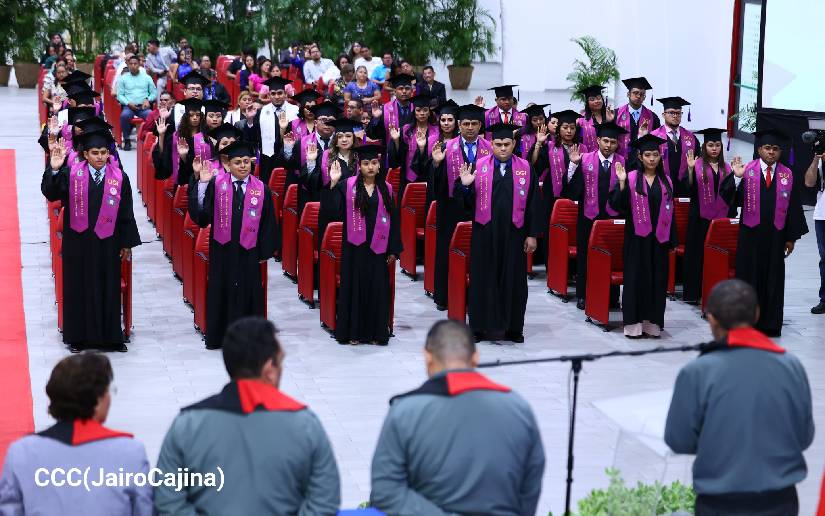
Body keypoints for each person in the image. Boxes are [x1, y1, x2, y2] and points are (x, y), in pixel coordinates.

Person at [155, 317, 340, 514]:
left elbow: (168, 502)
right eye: (281, 361)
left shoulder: (186, 425)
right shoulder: (305, 425)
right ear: (270, 370)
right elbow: (324, 503)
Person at [665, 279, 814, 516]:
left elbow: (678, 440)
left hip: (719, 502)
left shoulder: (698, 371)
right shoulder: (792, 366)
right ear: (756, 314)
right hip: (781, 501)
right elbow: (804, 437)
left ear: (711, 318)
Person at [370, 319, 545, 514]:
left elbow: (385, 492)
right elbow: (530, 487)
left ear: (427, 357)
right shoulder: (519, 409)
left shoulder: (405, 412)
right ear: (475, 358)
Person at [0, 354, 153, 515]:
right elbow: (144, 510)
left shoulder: (21, 452)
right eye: (108, 390)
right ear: (98, 400)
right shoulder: (130, 452)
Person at [42, 129, 140, 352]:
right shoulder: (71, 174)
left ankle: (111, 338)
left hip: (108, 243)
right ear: (85, 154)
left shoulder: (119, 178)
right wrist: (54, 168)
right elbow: (51, 193)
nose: (99, 157)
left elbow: (126, 213)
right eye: (94, 153)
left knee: (109, 287)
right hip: (79, 243)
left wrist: (126, 243)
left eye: (104, 152)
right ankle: (78, 338)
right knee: (79, 287)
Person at [455, 123, 542, 342]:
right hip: (485, 233)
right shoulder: (478, 166)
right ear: (491, 145)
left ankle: (513, 328)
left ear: (513, 144)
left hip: (515, 233)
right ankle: (479, 327)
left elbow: (533, 203)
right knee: (482, 278)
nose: (502, 148)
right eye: (498, 144)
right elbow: (465, 205)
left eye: (506, 144)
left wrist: (532, 234)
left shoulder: (525, 168)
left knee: (514, 280)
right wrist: (465, 187)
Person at [188, 141, 278, 349]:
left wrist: (264, 251)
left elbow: (268, 223)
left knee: (249, 293)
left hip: (249, 252)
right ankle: (221, 337)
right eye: (238, 162)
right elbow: (202, 217)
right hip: (223, 251)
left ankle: (249, 339)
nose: (243, 166)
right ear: (228, 165)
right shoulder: (216, 184)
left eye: (246, 161)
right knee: (223, 290)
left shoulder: (261, 189)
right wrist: (201, 184)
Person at [720, 128, 807, 337]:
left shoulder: (788, 175)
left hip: (776, 238)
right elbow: (729, 199)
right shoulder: (747, 171)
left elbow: (794, 207)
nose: (771, 152)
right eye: (767, 148)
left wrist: (791, 237)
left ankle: (769, 324)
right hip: (750, 237)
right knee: (748, 278)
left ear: (780, 152)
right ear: (759, 149)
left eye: (775, 149)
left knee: (773, 279)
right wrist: (737, 178)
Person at [322, 144, 401, 345]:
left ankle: (376, 333)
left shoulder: (387, 189)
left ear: (379, 165)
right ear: (360, 165)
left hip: (378, 247)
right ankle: (353, 332)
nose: (370, 167)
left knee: (377, 289)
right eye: (366, 163)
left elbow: (394, 220)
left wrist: (393, 248)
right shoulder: (347, 185)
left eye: (374, 163)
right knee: (354, 288)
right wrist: (332, 184)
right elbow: (332, 211)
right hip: (354, 248)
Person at [610, 133, 676, 338]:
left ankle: (652, 324)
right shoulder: (630, 178)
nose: (651, 159)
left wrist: (672, 239)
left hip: (659, 240)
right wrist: (621, 185)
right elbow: (617, 206)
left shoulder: (667, 182)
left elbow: (671, 213)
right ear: (639, 157)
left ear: (660, 157)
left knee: (657, 281)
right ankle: (633, 325)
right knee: (635, 280)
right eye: (647, 155)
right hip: (636, 240)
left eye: (655, 155)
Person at [427, 104, 492, 311]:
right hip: (451, 209)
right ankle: (445, 297)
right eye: (466, 124)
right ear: (459, 125)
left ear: (480, 125)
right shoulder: (447, 148)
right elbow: (436, 187)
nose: (470, 128)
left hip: (479, 207)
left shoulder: (490, 149)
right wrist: (436, 165)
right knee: (447, 251)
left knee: (478, 253)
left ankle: (476, 296)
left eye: (474, 124)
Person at [560, 118, 622, 310]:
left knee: (611, 257)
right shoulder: (584, 160)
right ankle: (583, 295)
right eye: (605, 141)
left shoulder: (623, 163)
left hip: (612, 218)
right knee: (586, 257)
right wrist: (573, 166)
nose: (609, 145)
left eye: (612, 142)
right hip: (588, 217)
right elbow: (571, 192)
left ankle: (611, 297)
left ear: (617, 143)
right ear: (598, 140)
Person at [681, 128, 735, 304]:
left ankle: (715, 292)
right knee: (696, 256)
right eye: (711, 145)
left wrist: (737, 176)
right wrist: (689, 170)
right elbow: (687, 189)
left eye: (717, 145)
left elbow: (731, 195)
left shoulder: (727, 168)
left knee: (716, 256)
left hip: (719, 220)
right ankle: (693, 294)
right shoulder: (696, 165)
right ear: (704, 146)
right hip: (699, 219)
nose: (714, 148)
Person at [242, 76, 298, 184]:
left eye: (280, 93)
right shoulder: (261, 111)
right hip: (268, 161)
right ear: (268, 95)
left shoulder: (295, 111)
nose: (276, 96)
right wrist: (249, 121)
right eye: (273, 93)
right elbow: (253, 138)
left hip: (291, 159)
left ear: (285, 94)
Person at [392, 93, 439, 202]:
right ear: (414, 112)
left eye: (425, 110)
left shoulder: (436, 131)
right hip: (409, 175)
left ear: (429, 112)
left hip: (430, 175)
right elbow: (399, 156)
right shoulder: (405, 130)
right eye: (418, 110)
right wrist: (396, 141)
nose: (422, 113)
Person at [650, 96, 699, 196]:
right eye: (671, 112)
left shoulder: (691, 138)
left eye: (678, 113)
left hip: (684, 189)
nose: (675, 116)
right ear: (664, 115)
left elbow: (698, 163)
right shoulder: (653, 137)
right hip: (660, 188)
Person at [154, 98, 206, 188]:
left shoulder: (206, 137)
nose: (195, 118)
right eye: (191, 115)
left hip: (204, 182)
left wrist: (184, 157)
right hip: (181, 183)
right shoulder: (176, 137)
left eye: (198, 115)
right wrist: (161, 136)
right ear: (186, 117)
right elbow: (164, 160)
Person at [615, 77, 661, 164]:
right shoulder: (617, 114)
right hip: (621, 160)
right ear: (628, 94)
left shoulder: (653, 117)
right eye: (635, 93)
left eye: (642, 94)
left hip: (644, 163)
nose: (639, 96)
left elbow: (656, 142)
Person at [116, 54, 157, 150]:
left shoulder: (147, 78)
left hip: (143, 107)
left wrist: (148, 99)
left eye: (135, 63)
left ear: (139, 64)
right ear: (128, 65)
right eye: (131, 64)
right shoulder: (123, 78)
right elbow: (120, 95)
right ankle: (126, 140)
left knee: (151, 115)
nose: (133, 65)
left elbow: (154, 93)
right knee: (124, 116)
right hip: (129, 106)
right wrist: (127, 103)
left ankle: (147, 138)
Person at [804, 149, 825, 314]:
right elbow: (809, 182)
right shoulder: (820, 160)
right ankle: (824, 300)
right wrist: (816, 159)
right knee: (824, 259)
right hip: (822, 215)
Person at [368, 73, 415, 145]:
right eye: (401, 88)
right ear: (395, 91)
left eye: (407, 88)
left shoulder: (417, 109)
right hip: (391, 152)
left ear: (412, 91)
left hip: (413, 151)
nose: (404, 91)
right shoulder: (385, 109)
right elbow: (373, 135)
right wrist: (376, 119)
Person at [577, 84, 615, 151]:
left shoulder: (610, 116)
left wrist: (611, 121)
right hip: (588, 158)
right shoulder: (581, 119)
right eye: (592, 99)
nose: (596, 101)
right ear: (587, 103)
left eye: (598, 98)